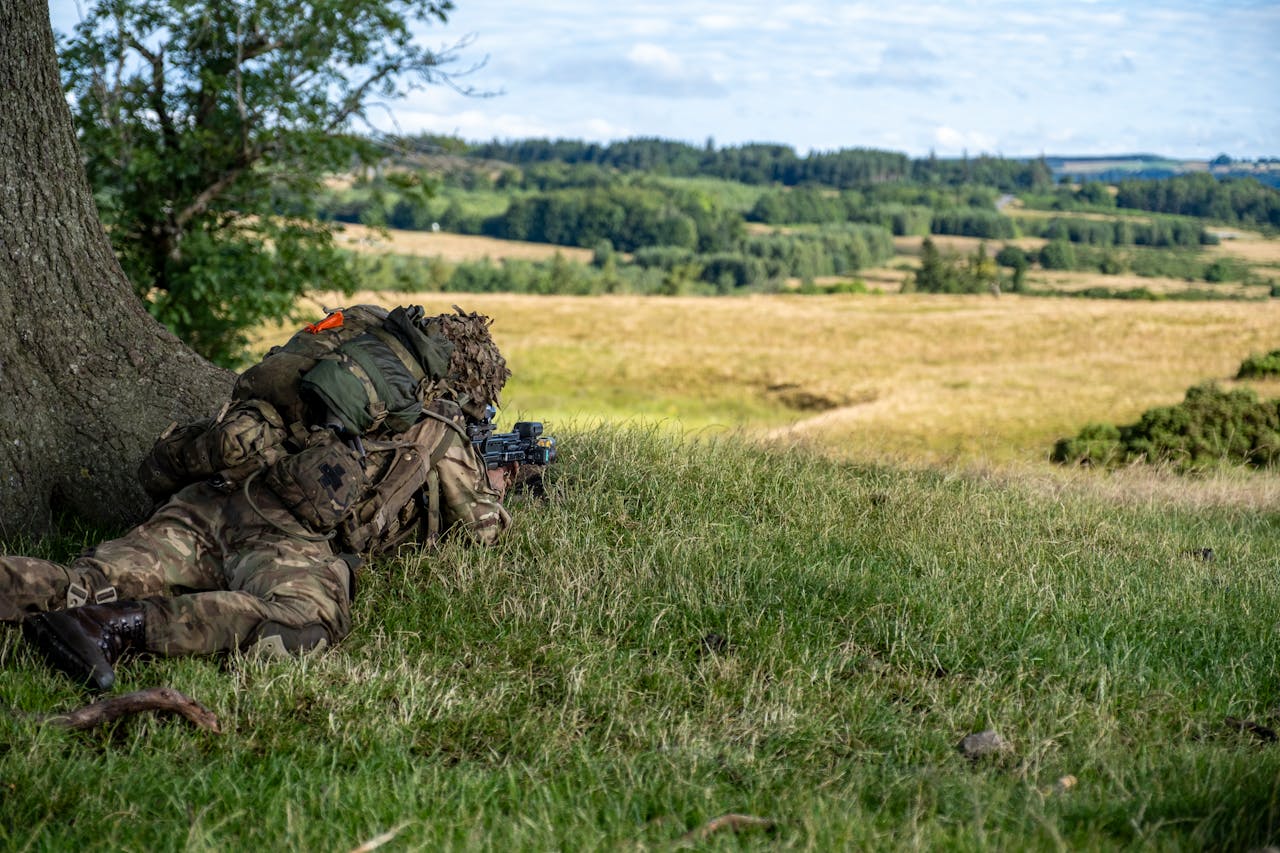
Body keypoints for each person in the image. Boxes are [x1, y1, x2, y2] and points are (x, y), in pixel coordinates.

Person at [1, 305, 515, 691]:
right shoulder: (440, 425)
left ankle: (69, 601)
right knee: (308, 620)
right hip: (281, 539)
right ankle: (126, 627)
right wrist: (498, 486)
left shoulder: (342, 350)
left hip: (208, 495)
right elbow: (482, 531)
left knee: (90, 580)